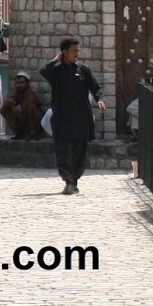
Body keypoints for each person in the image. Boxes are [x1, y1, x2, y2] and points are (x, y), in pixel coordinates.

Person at [39, 38, 105, 194]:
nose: (77, 54)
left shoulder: (83, 70)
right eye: (74, 51)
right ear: (65, 52)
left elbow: (95, 87)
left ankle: (74, 181)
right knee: (63, 151)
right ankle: (68, 181)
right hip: (62, 119)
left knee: (79, 152)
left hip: (81, 119)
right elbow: (43, 70)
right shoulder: (56, 71)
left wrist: (100, 100)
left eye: (78, 51)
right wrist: (55, 60)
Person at [0, 71, 45, 140]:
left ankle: (33, 134)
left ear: (27, 84)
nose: (19, 85)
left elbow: (24, 113)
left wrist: (14, 108)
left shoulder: (31, 95)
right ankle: (19, 133)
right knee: (4, 108)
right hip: (21, 119)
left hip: (32, 122)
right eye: (17, 83)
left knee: (30, 108)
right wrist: (9, 103)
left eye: (21, 83)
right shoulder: (18, 92)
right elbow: (11, 101)